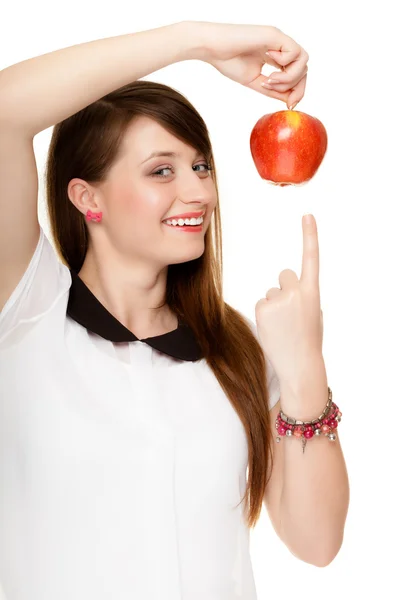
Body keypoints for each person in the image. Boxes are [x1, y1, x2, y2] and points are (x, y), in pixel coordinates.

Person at [0, 20, 310, 600]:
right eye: (161, 170)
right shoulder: (27, 314)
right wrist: (196, 43)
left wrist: (307, 366)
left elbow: (316, 543)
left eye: (200, 166)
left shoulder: (236, 344)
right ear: (86, 198)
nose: (198, 192)